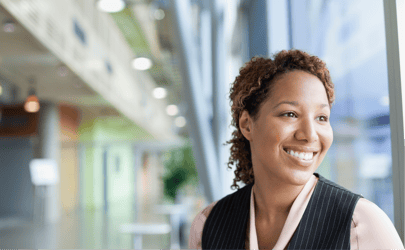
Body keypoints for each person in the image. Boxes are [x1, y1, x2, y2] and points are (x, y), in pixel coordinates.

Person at [188, 49, 404, 249]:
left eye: (321, 118)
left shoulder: (360, 224)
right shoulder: (208, 224)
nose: (309, 134)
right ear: (247, 125)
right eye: (290, 114)